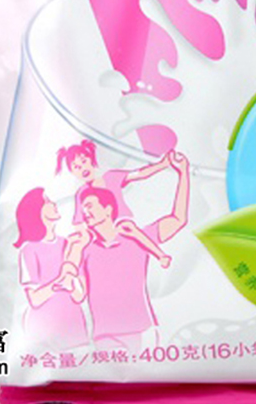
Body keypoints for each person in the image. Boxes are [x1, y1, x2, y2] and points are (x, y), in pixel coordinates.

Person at [59, 150, 190, 353]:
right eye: (83, 210)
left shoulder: (135, 239)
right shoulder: (86, 251)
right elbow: (78, 293)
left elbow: (178, 219)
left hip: (143, 333)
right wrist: (69, 274)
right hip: (104, 337)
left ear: (108, 210)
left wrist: (183, 173)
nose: (86, 213)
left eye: (90, 206)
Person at [55, 138, 173, 270]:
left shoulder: (111, 177)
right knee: (77, 242)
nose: (83, 168)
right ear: (72, 172)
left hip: (118, 223)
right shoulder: (81, 193)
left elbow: (139, 174)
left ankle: (161, 255)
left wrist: (163, 164)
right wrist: (84, 235)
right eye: (77, 167)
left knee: (127, 227)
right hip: (97, 230)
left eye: (84, 161)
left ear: (91, 159)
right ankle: (68, 274)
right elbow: (78, 222)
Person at [13, 188, 89, 350]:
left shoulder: (69, 245)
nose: (54, 204)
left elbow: (80, 295)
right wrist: (59, 282)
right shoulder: (29, 250)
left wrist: (74, 256)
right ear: (37, 211)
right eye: (47, 201)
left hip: (74, 328)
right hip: (42, 332)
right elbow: (35, 299)